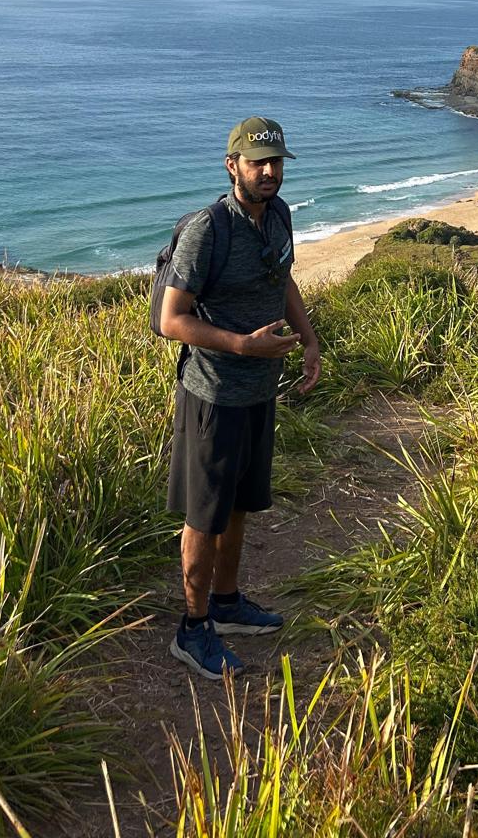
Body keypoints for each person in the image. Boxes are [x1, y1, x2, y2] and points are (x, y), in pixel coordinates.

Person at [160, 116, 321, 680]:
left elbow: (283, 280)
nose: (269, 172)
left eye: (276, 162)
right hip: (212, 395)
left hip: (259, 391)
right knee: (205, 516)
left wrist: (309, 340)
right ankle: (192, 627)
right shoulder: (209, 230)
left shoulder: (278, 215)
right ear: (233, 166)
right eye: (258, 163)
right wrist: (242, 346)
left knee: (239, 505)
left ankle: (225, 603)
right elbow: (171, 319)